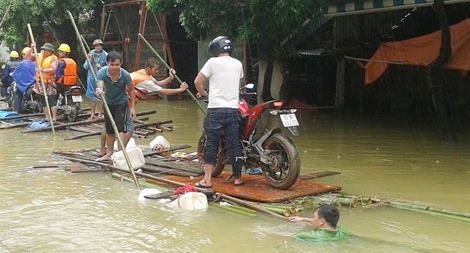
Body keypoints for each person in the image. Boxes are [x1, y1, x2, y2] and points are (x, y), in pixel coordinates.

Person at [97, 57, 188, 157]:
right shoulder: (145, 81)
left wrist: (170, 78)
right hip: (124, 103)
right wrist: (180, 90)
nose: (157, 72)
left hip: (117, 100)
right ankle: (120, 152)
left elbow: (158, 83)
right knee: (127, 129)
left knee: (108, 127)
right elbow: (162, 91)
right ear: (149, 69)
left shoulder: (143, 73)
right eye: (155, 70)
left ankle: (103, 150)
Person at [194, 36, 244, 187]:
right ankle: (237, 178)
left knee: (212, 144)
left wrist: (203, 94)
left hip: (216, 109)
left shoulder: (212, 62)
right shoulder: (238, 64)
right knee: (235, 144)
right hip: (233, 109)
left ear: (216, 49)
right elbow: (239, 81)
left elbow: (197, 82)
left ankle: (207, 180)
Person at [95, 51, 136, 162]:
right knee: (109, 130)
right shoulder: (102, 73)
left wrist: (132, 108)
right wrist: (100, 91)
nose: (115, 67)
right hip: (108, 103)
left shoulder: (125, 75)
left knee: (120, 129)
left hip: (121, 103)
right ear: (107, 63)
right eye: (112, 65)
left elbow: (132, 90)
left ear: (120, 64)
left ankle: (121, 153)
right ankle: (109, 153)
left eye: (117, 65)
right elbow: (100, 86)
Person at [32, 43, 58, 122]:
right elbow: (28, 57)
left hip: (49, 83)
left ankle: (54, 117)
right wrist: (32, 48)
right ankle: (47, 117)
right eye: (44, 50)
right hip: (40, 82)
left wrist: (42, 70)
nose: (45, 51)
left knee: (51, 101)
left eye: (47, 50)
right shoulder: (39, 56)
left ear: (51, 51)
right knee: (43, 100)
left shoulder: (54, 58)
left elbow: (53, 69)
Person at [83, 39, 107, 120]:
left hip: (101, 79)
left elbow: (109, 68)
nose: (98, 47)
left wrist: (101, 67)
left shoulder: (106, 55)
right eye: (96, 46)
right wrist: (89, 59)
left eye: (99, 46)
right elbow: (85, 67)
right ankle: (92, 113)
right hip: (91, 78)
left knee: (100, 95)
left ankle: (100, 114)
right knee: (91, 96)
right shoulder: (91, 54)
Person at [12, 47, 36, 113]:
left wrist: (12, 74)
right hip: (33, 83)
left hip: (24, 84)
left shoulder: (22, 63)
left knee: (18, 94)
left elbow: (16, 73)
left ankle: (16, 110)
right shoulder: (35, 63)